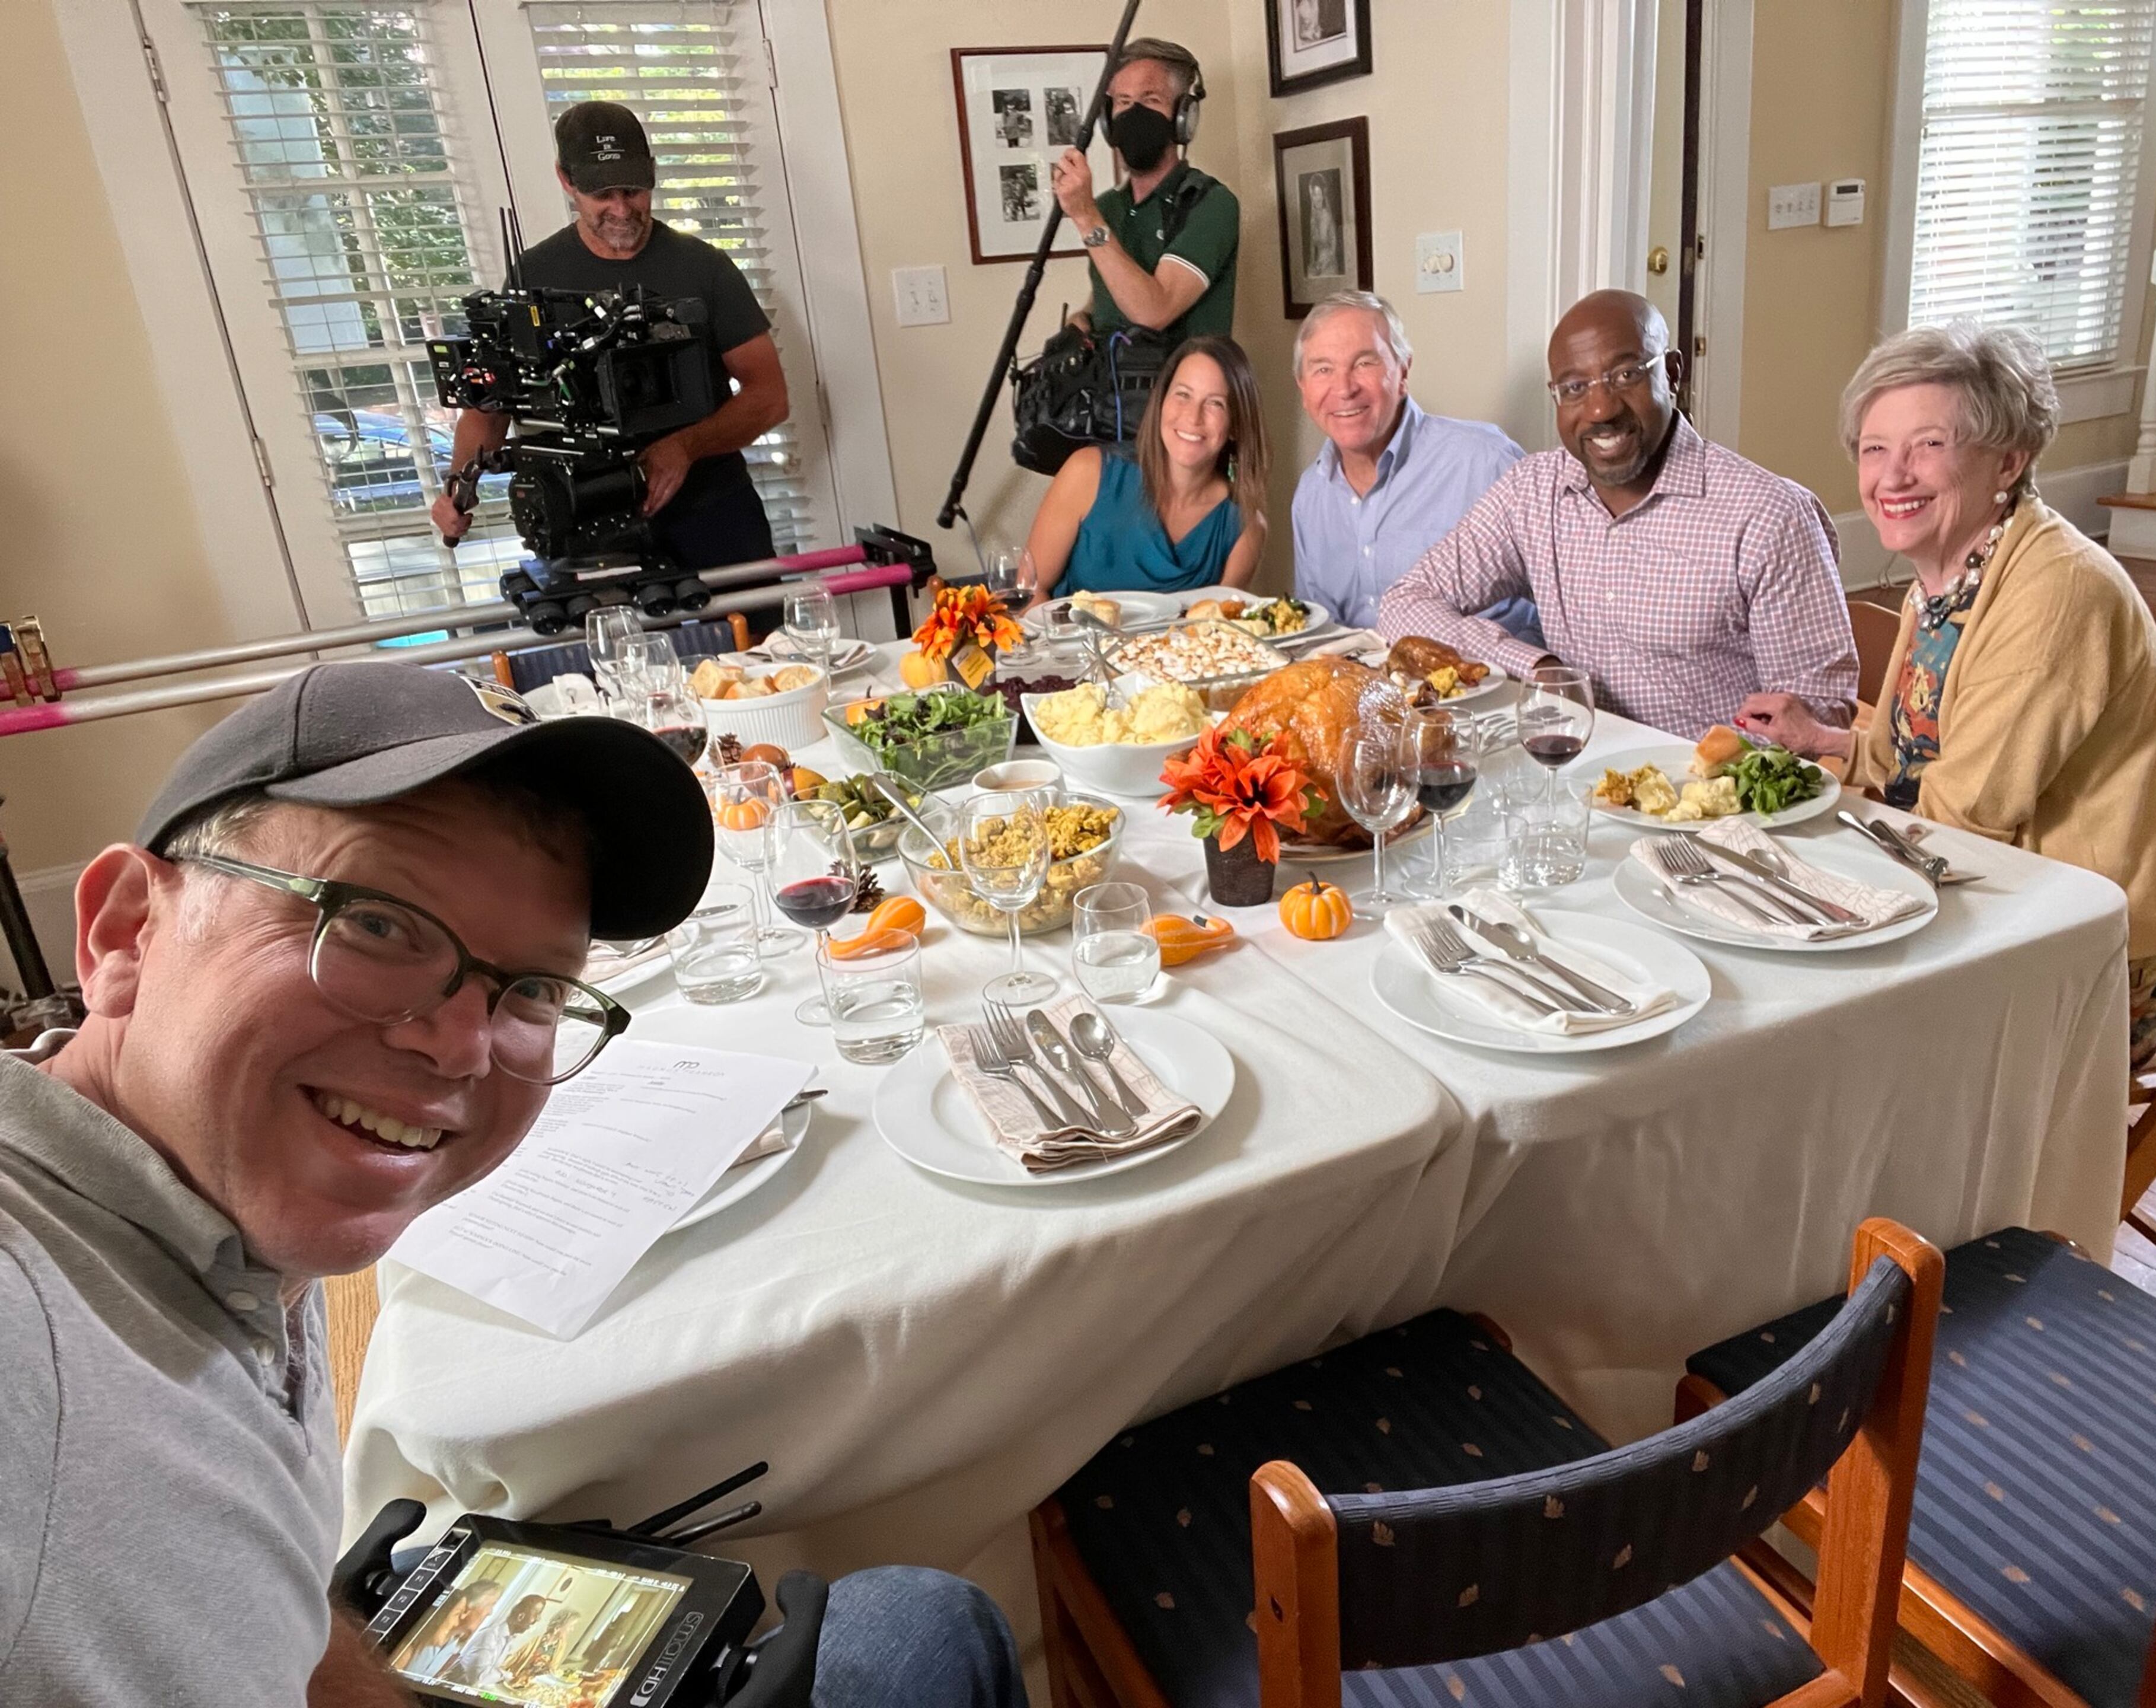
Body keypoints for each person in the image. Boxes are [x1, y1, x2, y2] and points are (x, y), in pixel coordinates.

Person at [0, 660, 1029, 1707]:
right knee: (921, 1628)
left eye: (533, 988)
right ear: (125, 932)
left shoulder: (219, 1218)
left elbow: (286, 1622)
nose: (460, 1046)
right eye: (375, 923)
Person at [1735, 321, 2156, 1067]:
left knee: (1789, 1030)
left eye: (1930, 445)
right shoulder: (1950, 575)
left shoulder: (2055, 594)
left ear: (2009, 459)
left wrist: (1811, 884)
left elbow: (1967, 820)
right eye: (1875, 448)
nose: (1893, 476)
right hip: (1988, 900)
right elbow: (1920, 759)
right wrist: (1824, 741)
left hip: (2080, 957)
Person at [1377, 290, 1857, 738]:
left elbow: (1819, 715)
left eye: (1626, 376)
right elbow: (1404, 603)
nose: (1600, 409)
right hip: (1576, 768)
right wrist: (1538, 667)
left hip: (1711, 786)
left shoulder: (1769, 515)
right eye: (1574, 388)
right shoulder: (1532, 491)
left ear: (1672, 374)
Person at [429, 101, 789, 571]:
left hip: (711, 510)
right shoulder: (534, 275)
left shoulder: (704, 268)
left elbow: (770, 397)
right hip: (585, 518)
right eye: (602, 194)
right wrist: (457, 488)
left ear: (652, 174)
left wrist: (684, 447)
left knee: (751, 621)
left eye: (634, 191)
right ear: (566, 181)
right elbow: (490, 409)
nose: (621, 210)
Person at [1289, 291, 1535, 638]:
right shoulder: (1311, 494)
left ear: (1403, 373)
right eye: (1323, 369)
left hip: (1481, 669)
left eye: (1364, 363)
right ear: (1303, 389)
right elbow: (1314, 629)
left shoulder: (1485, 463)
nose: (1344, 389)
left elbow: (1560, 610)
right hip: (1350, 671)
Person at [1019, 336, 1270, 598]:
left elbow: (1223, 622)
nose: (1193, 417)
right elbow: (1029, 592)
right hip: (1065, 627)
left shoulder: (1245, 525)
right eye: (1183, 395)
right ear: (1161, 402)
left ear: (1236, 424)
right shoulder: (1088, 472)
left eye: (1215, 403)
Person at [1050, 39, 1239, 345]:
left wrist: (1085, 217)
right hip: (1110, 376)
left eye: (1151, 100)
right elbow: (1114, 293)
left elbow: (1153, 312)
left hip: (1181, 375)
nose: (1134, 113)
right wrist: (1083, 319)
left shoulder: (1210, 204)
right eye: (1123, 102)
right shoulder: (1107, 207)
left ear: (1183, 117)